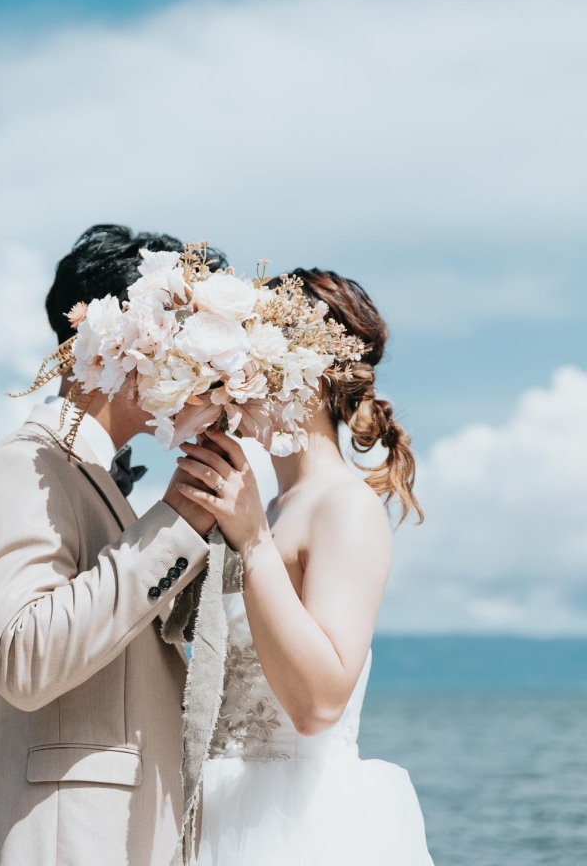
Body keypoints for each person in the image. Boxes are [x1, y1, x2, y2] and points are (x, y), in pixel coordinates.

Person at [0, 224, 227, 866]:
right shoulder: (17, 471)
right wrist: (176, 518)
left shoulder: (96, 480)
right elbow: (25, 659)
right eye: (190, 337)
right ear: (123, 338)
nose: (207, 366)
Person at [176, 269, 434, 865]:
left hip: (291, 824)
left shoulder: (344, 506)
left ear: (304, 373)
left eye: (248, 355)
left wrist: (254, 542)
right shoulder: (271, 507)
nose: (230, 377)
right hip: (209, 810)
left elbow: (319, 705)